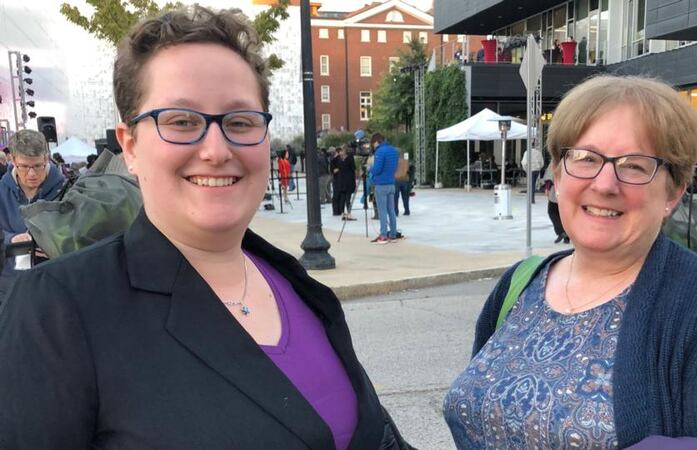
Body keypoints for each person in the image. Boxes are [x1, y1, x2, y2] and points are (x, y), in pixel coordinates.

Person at [0, 7, 414, 449]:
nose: (216, 150)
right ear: (131, 146)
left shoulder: (296, 286)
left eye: (240, 122)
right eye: (181, 121)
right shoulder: (59, 309)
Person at [443, 75, 697, 449]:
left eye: (634, 166)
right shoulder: (519, 285)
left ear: (672, 193)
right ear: (558, 176)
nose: (605, 183)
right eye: (586, 158)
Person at [0, 129, 65, 296]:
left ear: (46, 158)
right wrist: (11, 239)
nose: (32, 174)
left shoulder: (67, 190)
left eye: (37, 165)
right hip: (9, 288)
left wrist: (56, 244)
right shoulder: (1, 191)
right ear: (13, 160)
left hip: (53, 287)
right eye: (24, 166)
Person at [369, 133, 402, 243]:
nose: (373, 147)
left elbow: (377, 169)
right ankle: (393, 233)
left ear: (376, 142)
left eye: (373, 144)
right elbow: (396, 166)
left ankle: (383, 234)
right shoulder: (394, 150)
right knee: (391, 210)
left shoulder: (380, 151)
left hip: (381, 184)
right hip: (391, 183)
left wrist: (370, 169)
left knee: (382, 211)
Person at [542, 162, 568, 243]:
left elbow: (550, 176)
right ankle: (566, 236)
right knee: (563, 214)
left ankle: (561, 232)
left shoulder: (556, 160)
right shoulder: (569, 159)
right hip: (567, 190)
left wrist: (547, 188)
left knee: (552, 211)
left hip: (556, 190)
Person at [331, 146, 356, 220]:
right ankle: (345, 213)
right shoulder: (340, 159)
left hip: (346, 181)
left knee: (346, 198)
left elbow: (352, 169)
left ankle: (346, 213)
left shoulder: (345, 159)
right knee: (344, 198)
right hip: (344, 181)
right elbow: (353, 169)